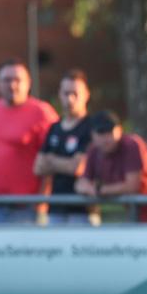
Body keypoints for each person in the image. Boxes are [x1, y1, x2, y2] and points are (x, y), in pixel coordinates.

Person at [0, 59, 59, 223]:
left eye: (17, 80)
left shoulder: (41, 113)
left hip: (28, 206)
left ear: (28, 83)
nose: (12, 85)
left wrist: (43, 199)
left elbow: (51, 159)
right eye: (6, 80)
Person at [75, 111, 147, 222]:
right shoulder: (94, 150)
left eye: (110, 131)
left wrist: (99, 190)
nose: (106, 138)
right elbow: (81, 183)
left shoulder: (131, 145)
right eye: (101, 133)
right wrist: (88, 188)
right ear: (92, 135)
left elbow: (132, 186)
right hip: (138, 213)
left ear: (119, 130)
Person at [33, 69, 93, 225]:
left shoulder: (91, 127)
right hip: (55, 208)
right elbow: (38, 167)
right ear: (60, 94)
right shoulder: (54, 128)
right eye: (66, 93)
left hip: (83, 209)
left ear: (86, 95)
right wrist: (65, 163)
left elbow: (78, 167)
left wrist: (51, 160)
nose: (70, 99)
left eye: (75, 94)